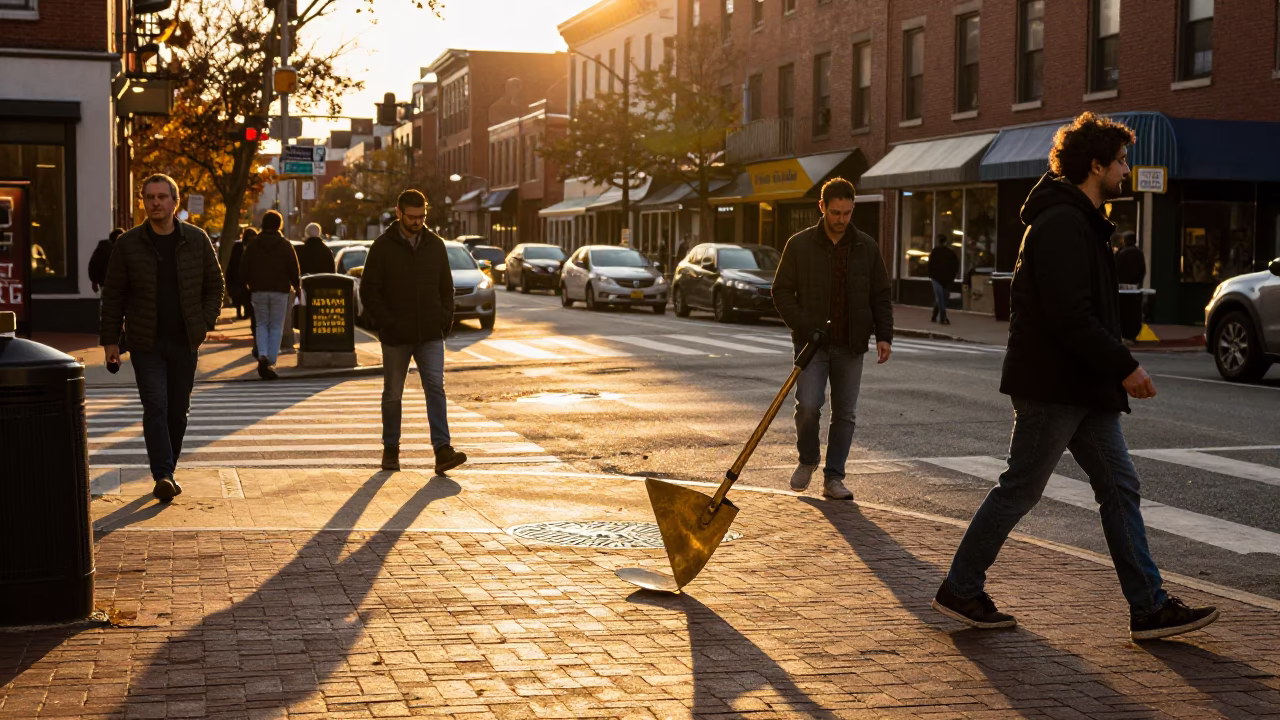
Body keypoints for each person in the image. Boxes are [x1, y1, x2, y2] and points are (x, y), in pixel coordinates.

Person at [931, 112, 1219, 641]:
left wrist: (1112, 369)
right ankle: (961, 587)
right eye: (1121, 161)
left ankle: (1149, 608)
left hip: (1082, 386)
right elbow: (1071, 315)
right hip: (1054, 385)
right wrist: (1125, 365)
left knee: (1119, 487)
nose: (1127, 170)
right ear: (1096, 166)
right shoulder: (1062, 223)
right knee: (1021, 489)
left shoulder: (1082, 219)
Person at [99, 173, 225, 502]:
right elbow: (113, 295)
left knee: (177, 411)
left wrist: (204, 321)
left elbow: (216, 285)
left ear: (175, 201)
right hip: (145, 342)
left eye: (161, 197)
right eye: (149, 197)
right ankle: (163, 475)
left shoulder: (197, 240)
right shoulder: (128, 244)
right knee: (155, 405)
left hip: (185, 340)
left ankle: (169, 467)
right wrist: (110, 341)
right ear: (143, 202)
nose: (155, 202)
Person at [773, 177, 893, 501]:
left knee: (845, 414)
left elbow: (880, 294)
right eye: (836, 212)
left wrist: (884, 336)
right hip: (812, 345)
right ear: (822, 207)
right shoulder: (799, 245)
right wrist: (803, 326)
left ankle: (834, 477)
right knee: (808, 406)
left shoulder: (865, 246)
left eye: (848, 213)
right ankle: (808, 458)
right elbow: (781, 291)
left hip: (851, 344)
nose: (841, 220)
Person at [360, 189, 467, 476]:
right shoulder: (382, 247)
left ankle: (442, 450)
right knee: (393, 394)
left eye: (422, 217)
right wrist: (387, 322)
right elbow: (369, 290)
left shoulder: (435, 245)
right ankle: (391, 449)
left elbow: (446, 288)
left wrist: (445, 319)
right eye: (412, 217)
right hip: (396, 335)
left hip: (431, 333)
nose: (418, 222)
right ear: (398, 213)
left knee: (435, 388)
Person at [240, 210, 300, 380]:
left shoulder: (253, 244)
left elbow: (244, 267)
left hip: (258, 289)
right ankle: (270, 359)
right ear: (279, 224)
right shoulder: (285, 245)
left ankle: (263, 354)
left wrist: (245, 285)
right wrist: (296, 285)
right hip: (280, 290)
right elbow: (293, 268)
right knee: (276, 325)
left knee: (261, 324)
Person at [226, 227, 257, 321]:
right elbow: (233, 263)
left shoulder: (241, 246)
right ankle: (241, 311)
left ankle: (244, 312)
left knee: (244, 296)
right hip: (239, 276)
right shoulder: (240, 246)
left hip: (242, 276)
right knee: (241, 295)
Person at [927, 233, 959, 325]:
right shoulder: (951, 253)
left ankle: (936, 316)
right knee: (942, 298)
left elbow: (930, 265)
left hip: (937, 278)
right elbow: (955, 266)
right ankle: (943, 317)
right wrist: (953, 276)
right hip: (946, 279)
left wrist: (931, 275)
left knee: (940, 298)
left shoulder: (935, 252)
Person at [88, 228, 124, 293]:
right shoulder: (118, 251)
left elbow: (93, 265)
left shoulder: (102, 249)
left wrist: (94, 282)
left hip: (104, 283)